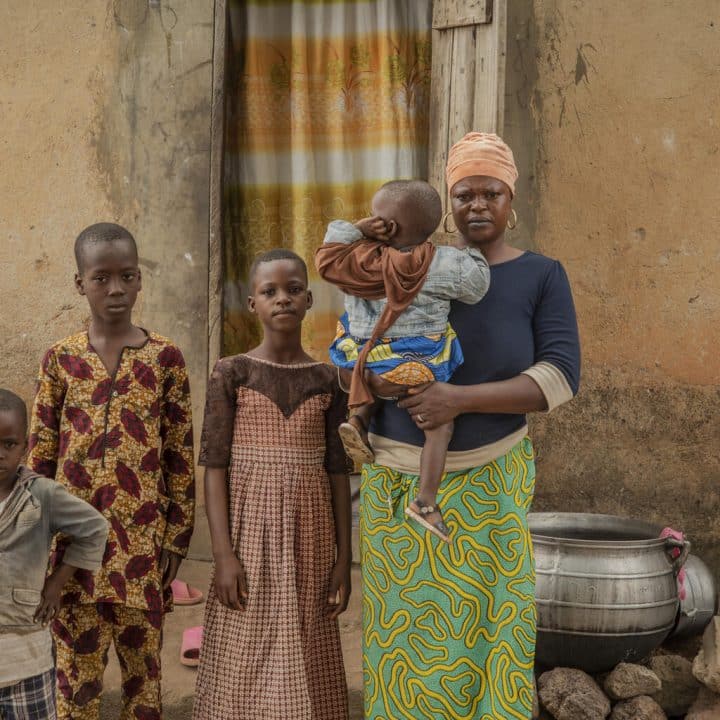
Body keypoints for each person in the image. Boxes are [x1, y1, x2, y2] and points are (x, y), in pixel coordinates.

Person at [360, 133, 581, 718]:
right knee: (405, 641)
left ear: (512, 200)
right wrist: (377, 381)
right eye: (464, 194)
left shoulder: (541, 276)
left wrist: (457, 399)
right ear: (447, 204)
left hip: (491, 487)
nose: (477, 205)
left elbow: (559, 377)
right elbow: (356, 345)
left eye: (491, 193)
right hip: (397, 489)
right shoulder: (406, 268)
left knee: (493, 630)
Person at [27, 223, 195, 720]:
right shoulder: (60, 360)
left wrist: (176, 539)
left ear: (140, 279)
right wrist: (37, 544)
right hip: (72, 559)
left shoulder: (165, 358)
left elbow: (179, 454)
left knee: (145, 683)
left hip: (141, 550)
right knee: (76, 684)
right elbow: (39, 458)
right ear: (80, 283)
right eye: (101, 278)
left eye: (126, 276)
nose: (115, 289)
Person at [193, 249, 352, 720]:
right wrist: (223, 554)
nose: (282, 298)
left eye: (293, 290)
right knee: (246, 642)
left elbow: (338, 472)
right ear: (252, 304)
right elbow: (214, 466)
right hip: (248, 535)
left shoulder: (329, 379)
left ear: (309, 300)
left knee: (308, 639)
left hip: (311, 537)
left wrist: (344, 558)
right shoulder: (232, 372)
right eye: (270, 291)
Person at [316, 180, 490, 542]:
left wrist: (357, 229)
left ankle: (358, 417)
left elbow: (327, 257)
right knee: (439, 428)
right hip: (413, 368)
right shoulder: (444, 263)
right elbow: (477, 286)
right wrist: (469, 249)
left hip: (362, 362)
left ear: (386, 227)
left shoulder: (358, 261)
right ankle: (426, 501)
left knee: (363, 343)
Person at [0, 389, 108, 720]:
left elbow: (94, 528)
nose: (0, 455)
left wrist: (57, 583)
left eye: (9, 444)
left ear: (25, 447)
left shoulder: (41, 496)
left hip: (25, 659)